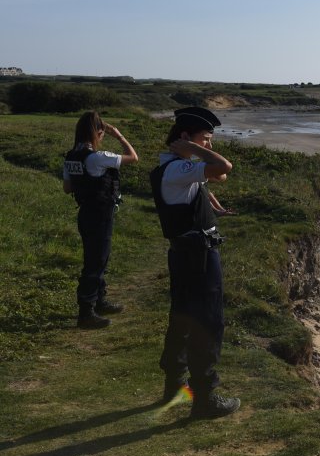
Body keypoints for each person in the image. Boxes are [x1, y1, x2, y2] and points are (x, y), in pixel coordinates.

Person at [150, 107, 240, 419]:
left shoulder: (174, 168)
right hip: (198, 255)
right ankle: (206, 397)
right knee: (207, 322)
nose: (209, 146)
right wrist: (194, 150)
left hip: (184, 253)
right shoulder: (179, 169)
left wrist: (194, 150)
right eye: (205, 139)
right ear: (186, 138)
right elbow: (225, 165)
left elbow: (221, 173)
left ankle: (175, 383)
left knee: (183, 318)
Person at [63, 112, 138, 329]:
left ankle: (99, 300)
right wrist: (120, 135)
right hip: (100, 214)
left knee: (97, 258)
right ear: (98, 133)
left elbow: (68, 188)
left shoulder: (71, 156)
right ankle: (86, 312)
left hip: (85, 212)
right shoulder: (97, 157)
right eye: (103, 133)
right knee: (96, 262)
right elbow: (133, 157)